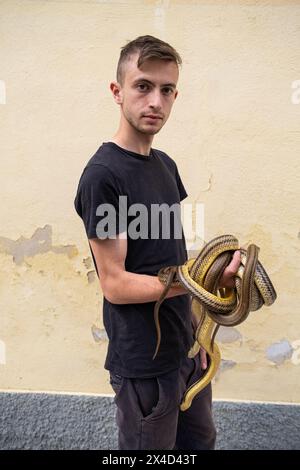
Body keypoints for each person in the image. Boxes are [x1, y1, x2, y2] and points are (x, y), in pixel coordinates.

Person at [74, 35, 240, 450]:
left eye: (167, 90)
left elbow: (170, 260)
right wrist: (203, 279)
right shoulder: (104, 176)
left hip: (184, 351)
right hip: (143, 363)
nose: (156, 101)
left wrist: (197, 332)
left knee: (200, 444)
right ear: (118, 92)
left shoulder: (166, 166)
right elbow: (116, 283)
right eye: (143, 86)